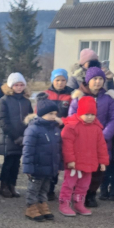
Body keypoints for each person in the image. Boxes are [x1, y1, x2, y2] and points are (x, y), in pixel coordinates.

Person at [68, 66, 114, 207]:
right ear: (88, 80)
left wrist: (104, 135)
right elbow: (72, 117)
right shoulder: (79, 97)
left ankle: (91, 195)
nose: (98, 82)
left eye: (101, 79)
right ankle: (77, 194)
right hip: (82, 141)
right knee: (80, 170)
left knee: (98, 172)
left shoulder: (109, 99)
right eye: (95, 79)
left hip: (102, 141)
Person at [59, 96, 109, 217]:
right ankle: (64, 203)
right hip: (74, 164)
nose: (90, 117)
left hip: (89, 163)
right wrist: (70, 160)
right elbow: (67, 145)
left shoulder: (97, 128)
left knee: (84, 185)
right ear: (80, 112)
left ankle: (78, 203)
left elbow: (101, 146)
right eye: (87, 114)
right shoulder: (71, 126)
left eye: (92, 114)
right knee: (69, 184)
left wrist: (102, 162)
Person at [21, 99, 63, 221]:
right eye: (50, 114)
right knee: (34, 188)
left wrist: (58, 165)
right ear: (41, 114)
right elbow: (28, 150)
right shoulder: (33, 129)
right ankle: (31, 207)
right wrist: (28, 167)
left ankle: (41, 204)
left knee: (45, 187)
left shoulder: (55, 129)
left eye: (55, 114)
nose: (53, 116)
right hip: (37, 166)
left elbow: (59, 149)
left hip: (50, 166)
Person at [0, 73, 33, 198]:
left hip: (23, 137)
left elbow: (30, 118)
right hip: (9, 137)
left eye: (21, 84)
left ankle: (12, 185)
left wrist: (27, 135)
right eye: (16, 85)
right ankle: (4, 186)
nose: (19, 87)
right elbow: (2, 120)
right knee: (8, 163)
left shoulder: (26, 101)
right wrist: (15, 136)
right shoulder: (4, 100)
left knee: (16, 163)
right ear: (10, 86)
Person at [40, 68, 74, 200]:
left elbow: (74, 114)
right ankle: (47, 188)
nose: (60, 83)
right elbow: (40, 112)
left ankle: (59, 188)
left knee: (59, 162)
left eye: (63, 80)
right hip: (48, 131)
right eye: (57, 80)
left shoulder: (71, 95)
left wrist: (63, 121)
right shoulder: (45, 94)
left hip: (64, 132)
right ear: (52, 80)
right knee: (48, 159)